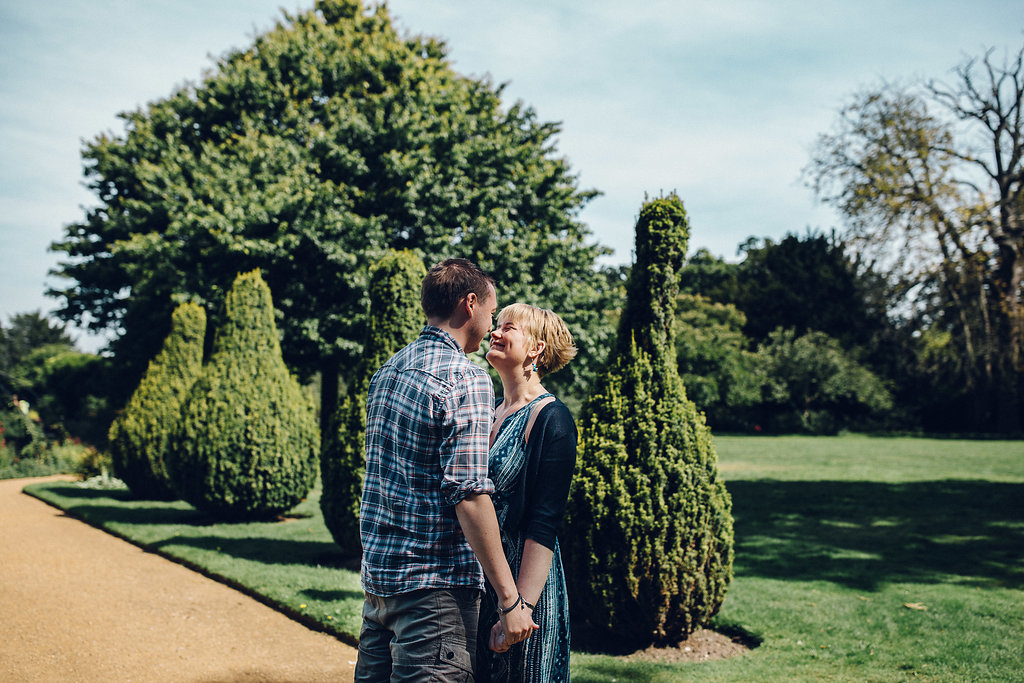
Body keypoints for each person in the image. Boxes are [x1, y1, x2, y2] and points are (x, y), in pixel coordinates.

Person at [355, 259, 537, 682]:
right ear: (469, 304)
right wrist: (510, 600)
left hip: (379, 585)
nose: (493, 325)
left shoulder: (389, 370)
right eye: (492, 313)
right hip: (434, 594)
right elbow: (470, 495)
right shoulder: (465, 379)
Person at [477, 303, 578, 683]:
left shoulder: (552, 418)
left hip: (525, 589)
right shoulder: (490, 410)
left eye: (508, 328)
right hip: (484, 584)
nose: (495, 333)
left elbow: (544, 521)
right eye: (496, 325)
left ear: (535, 348)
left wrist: (520, 607)